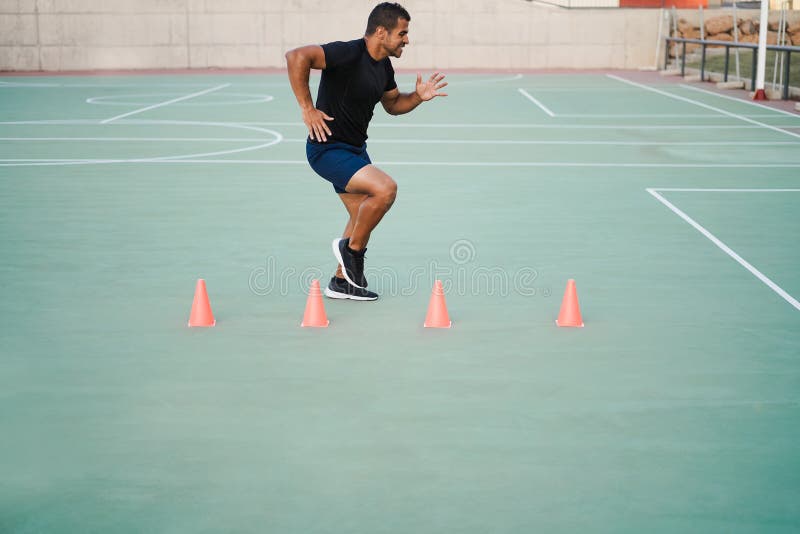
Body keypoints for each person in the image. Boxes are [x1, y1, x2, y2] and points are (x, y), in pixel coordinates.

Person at [285, 2, 447, 301]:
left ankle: (341, 282)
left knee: (362, 214)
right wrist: (307, 108)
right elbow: (297, 56)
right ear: (381, 32)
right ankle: (351, 251)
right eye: (403, 33)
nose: (407, 40)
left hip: (356, 150)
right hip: (327, 149)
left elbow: (394, 105)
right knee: (385, 190)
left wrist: (419, 98)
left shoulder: (384, 66)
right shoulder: (348, 53)